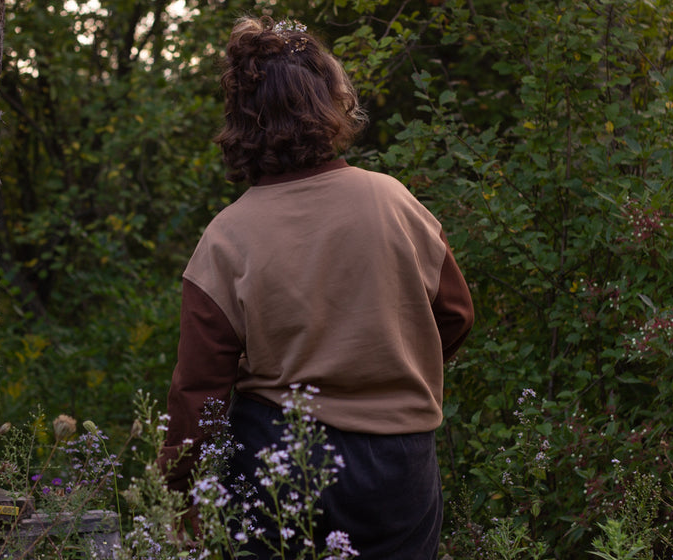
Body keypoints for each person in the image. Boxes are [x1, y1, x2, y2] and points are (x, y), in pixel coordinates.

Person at [158, 15, 474, 559]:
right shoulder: (392, 202)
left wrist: (179, 494)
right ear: (333, 103)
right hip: (397, 470)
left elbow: (198, 392)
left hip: (275, 459)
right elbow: (456, 314)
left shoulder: (227, 236)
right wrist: (387, 365)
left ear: (241, 119)